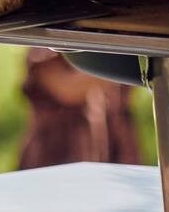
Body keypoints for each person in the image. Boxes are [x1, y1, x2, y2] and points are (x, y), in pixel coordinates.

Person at [16, 46, 146, 169]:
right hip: (59, 152)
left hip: (111, 143)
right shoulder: (51, 44)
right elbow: (68, 89)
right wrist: (121, 63)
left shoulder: (122, 38)